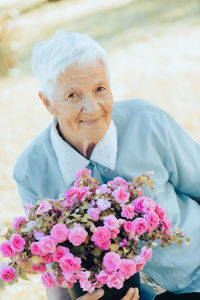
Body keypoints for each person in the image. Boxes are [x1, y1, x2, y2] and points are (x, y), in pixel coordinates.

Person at [13, 30, 200, 300]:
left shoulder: (147, 122)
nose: (92, 107)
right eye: (73, 95)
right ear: (48, 103)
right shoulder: (30, 171)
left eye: (100, 89)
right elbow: (54, 267)